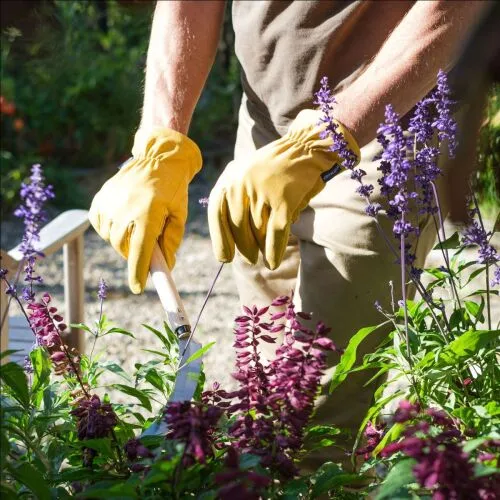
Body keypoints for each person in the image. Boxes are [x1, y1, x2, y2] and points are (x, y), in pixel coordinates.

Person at [89, 0, 490, 470]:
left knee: (318, 430)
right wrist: (160, 143)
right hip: (265, 126)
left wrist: (324, 138)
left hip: (393, 128)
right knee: (266, 393)